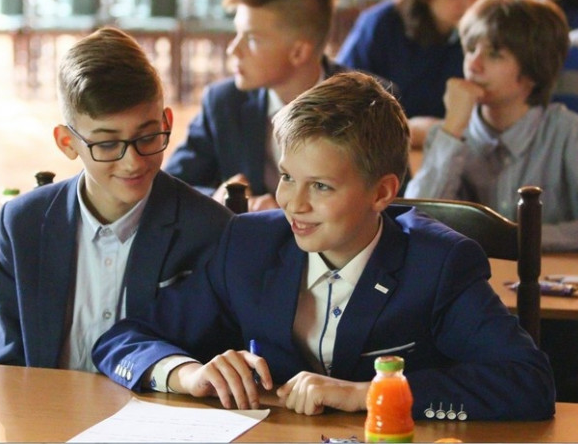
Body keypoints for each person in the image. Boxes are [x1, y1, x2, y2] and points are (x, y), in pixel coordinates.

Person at [93, 72, 554, 421]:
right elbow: (123, 339)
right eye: (287, 177)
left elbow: (528, 382)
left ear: (381, 193)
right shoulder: (248, 244)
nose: (293, 203)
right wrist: (186, 373)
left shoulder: (439, 264)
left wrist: (367, 394)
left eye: (321, 186)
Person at [0, 27, 233, 372]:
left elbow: (212, 361)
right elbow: (9, 367)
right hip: (46, 406)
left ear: (166, 122)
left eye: (147, 137)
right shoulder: (22, 224)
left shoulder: (209, 229)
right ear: (67, 143)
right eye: (106, 144)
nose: (133, 162)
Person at [163, 0, 398, 211]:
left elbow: (394, 202)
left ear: (298, 52)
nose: (233, 49)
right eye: (237, 33)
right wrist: (217, 199)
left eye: (251, 39)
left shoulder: (372, 104)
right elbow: (171, 188)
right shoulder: (224, 103)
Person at [405, 0, 578, 252]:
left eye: (494, 54)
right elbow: (415, 224)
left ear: (534, 70)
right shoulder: (450, 134)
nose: (473, 65)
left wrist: (514, 238)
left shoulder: (568, 133)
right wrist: (451, 129)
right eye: (471, 49)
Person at [336, 0, 482, 147]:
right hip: (377, 147)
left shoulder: (473, 35)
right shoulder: (380, 24)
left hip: (447, 148)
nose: (467, 2)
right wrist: (406, 130)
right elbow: (340, 96)